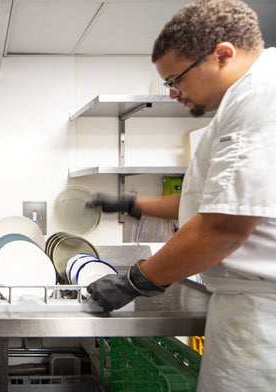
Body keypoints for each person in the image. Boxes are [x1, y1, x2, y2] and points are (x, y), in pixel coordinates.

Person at [86, 0, 276, 390]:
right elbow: (211, 200)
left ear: (223, 55)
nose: (174, 93)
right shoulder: (244, 100)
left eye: (176, 80)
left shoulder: (258, 97)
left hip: (263, 316)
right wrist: (133, 205)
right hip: (250, 306)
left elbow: (223, 228)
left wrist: (134, 283)